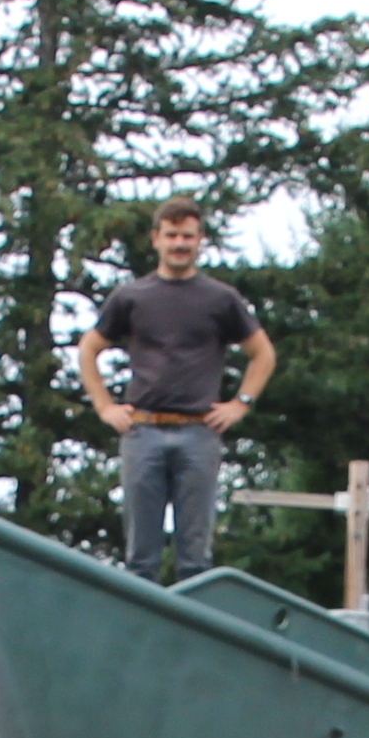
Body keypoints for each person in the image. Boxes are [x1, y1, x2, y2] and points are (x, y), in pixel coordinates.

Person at [76, 199, 277, 584]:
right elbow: (89, 348)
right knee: (140, 557)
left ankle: (191, 639)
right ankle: (141, 638)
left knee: (196, 558)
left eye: (187, 236)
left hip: (199, 432)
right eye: (172, 235)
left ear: (200, 240)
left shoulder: (221, 299)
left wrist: (241, 404)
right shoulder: (132, 297)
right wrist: (104, 407)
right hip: (143, 430)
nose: (179, 244)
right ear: (156, 240)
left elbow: (263, 353)